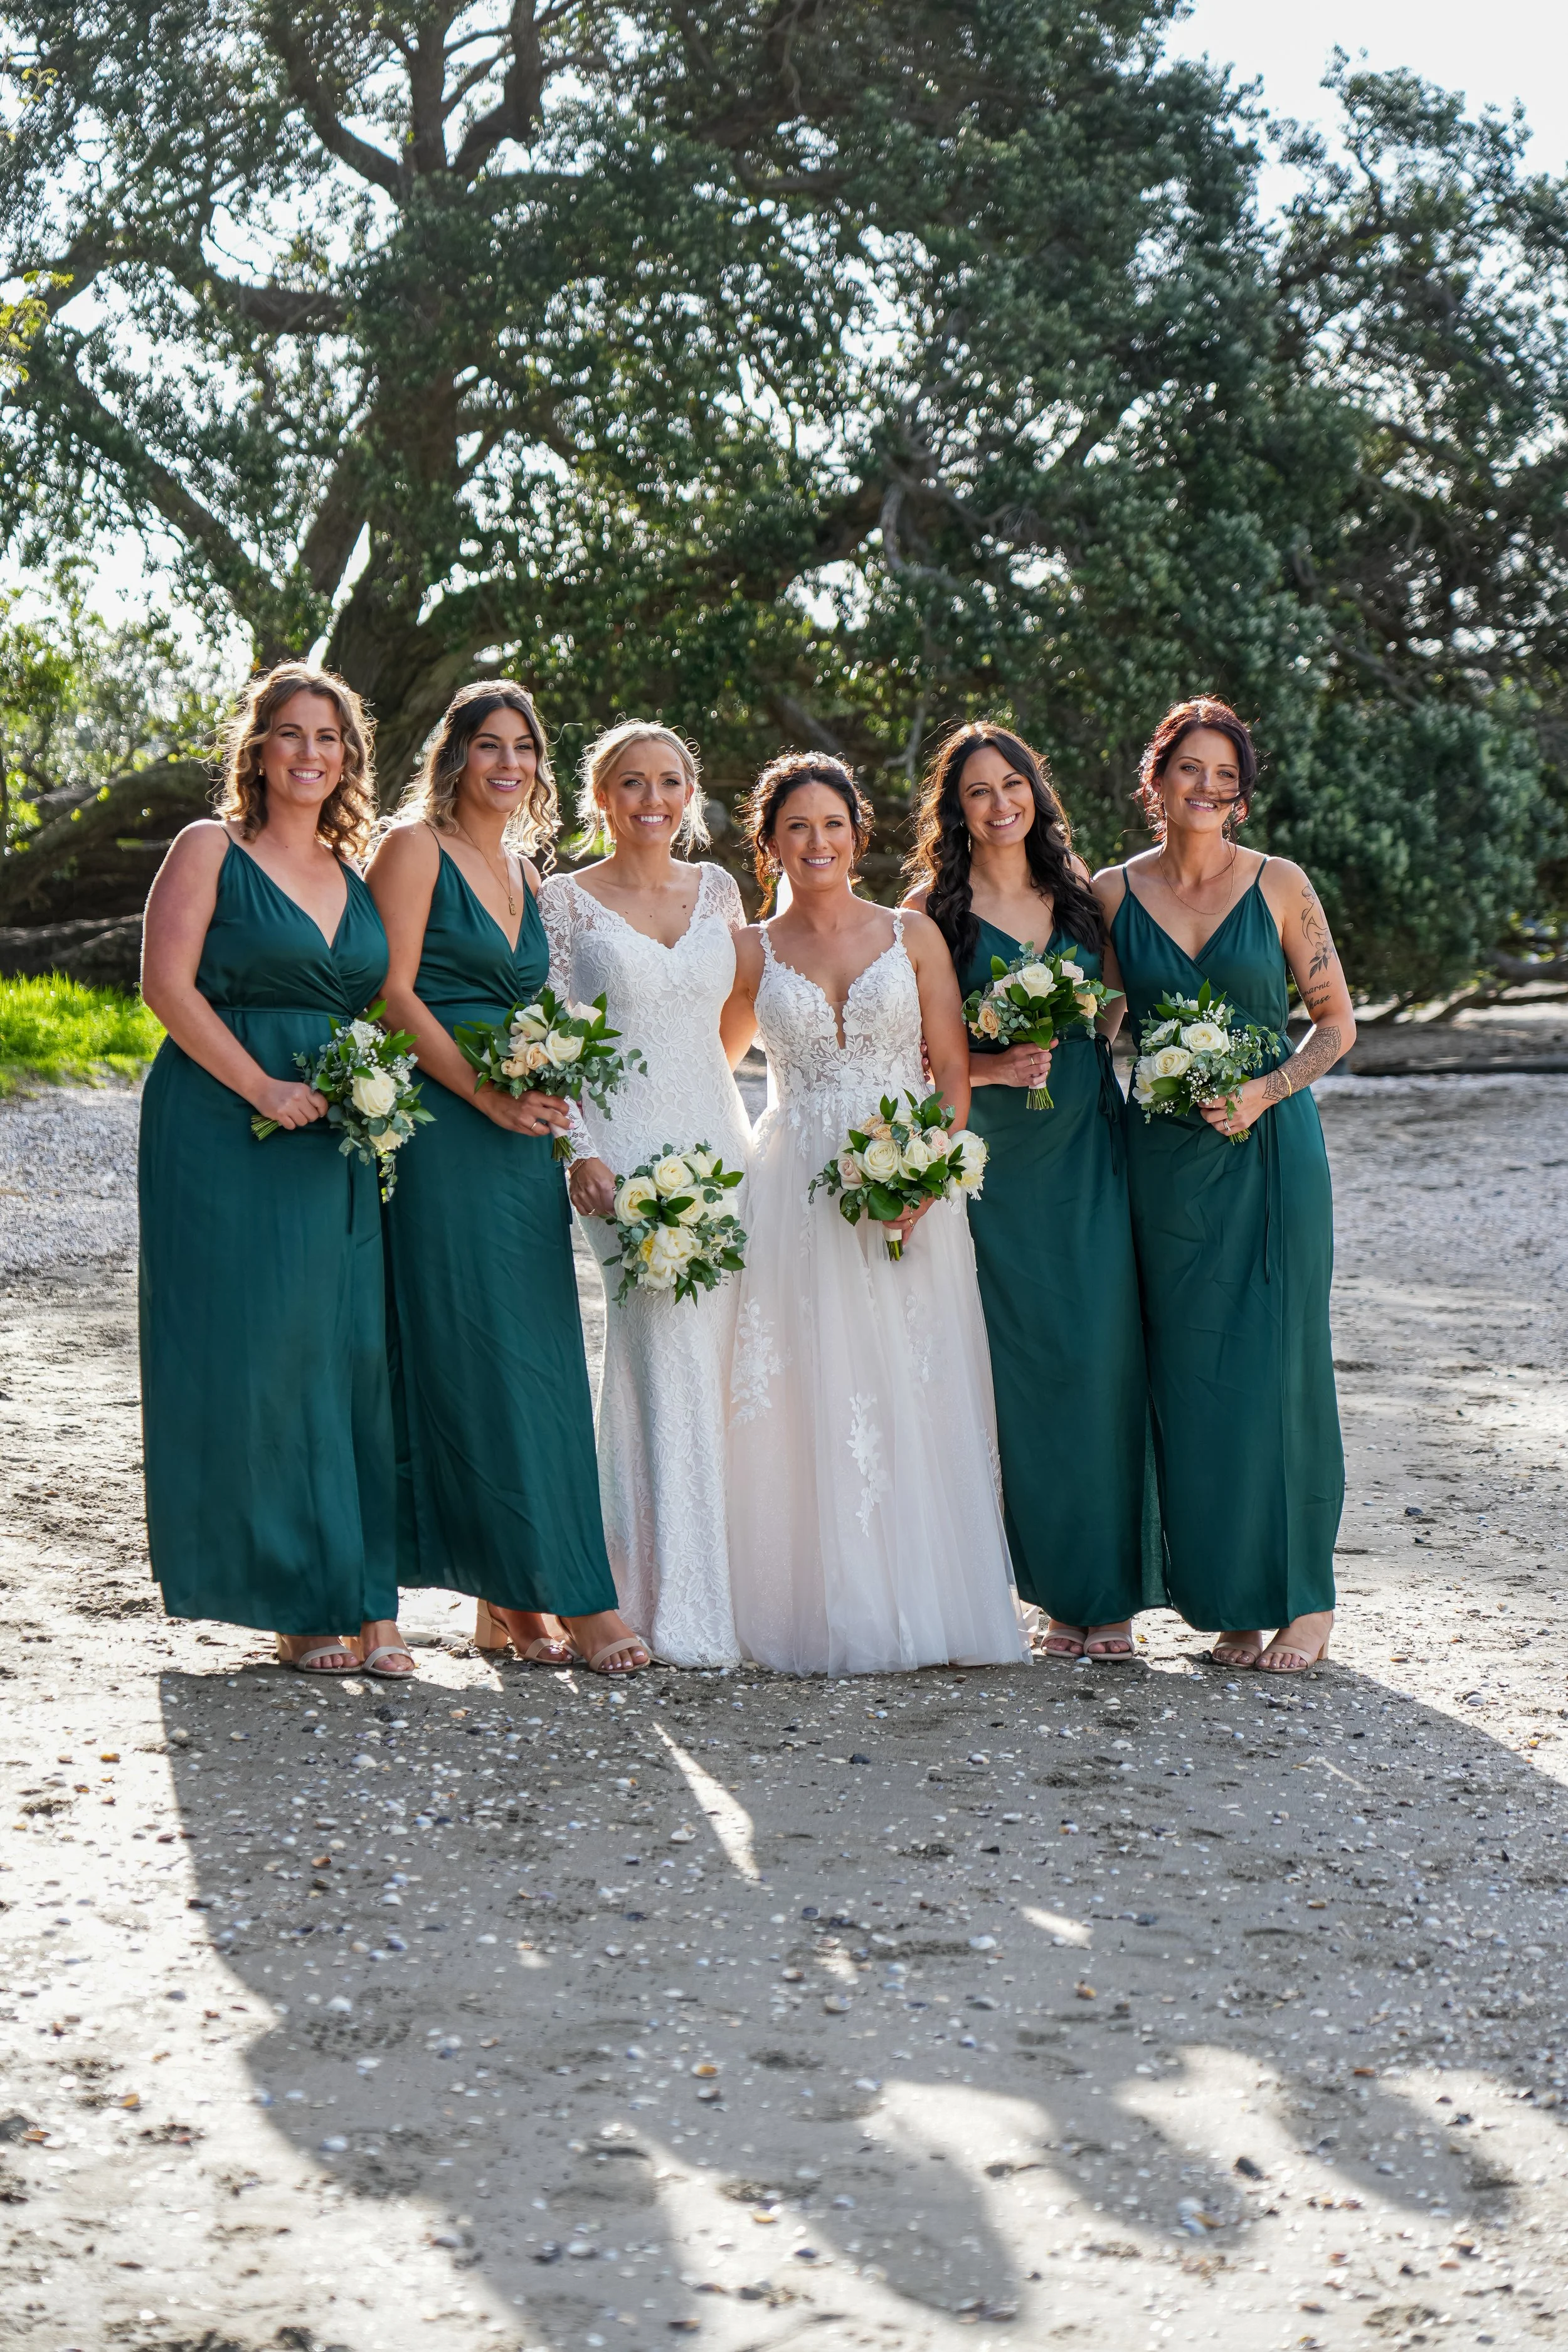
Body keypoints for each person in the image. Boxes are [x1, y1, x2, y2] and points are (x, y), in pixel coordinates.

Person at [723, 751, 1026, 1675]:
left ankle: (933, 1602)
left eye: (834, 824)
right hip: (794, 1188)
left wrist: (924, 1178)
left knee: (915, 1374)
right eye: (797, 828)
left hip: (910, 1182)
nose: (818, 842)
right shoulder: (749, 951)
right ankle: (819, 1606)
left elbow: (953, 1072)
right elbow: (707, 1063)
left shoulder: (914, 935)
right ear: (769, 844)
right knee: (812, 1382)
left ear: (859, 833)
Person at [366, 684, 647, 1677]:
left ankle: (515, 1599)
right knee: (471, 1350)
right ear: (455, 755)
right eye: (489, 746)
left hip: (523, 1136)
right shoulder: (414, 848)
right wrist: (486, 1093)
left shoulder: (528, 869)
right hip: (446, 1130)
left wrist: (547, 1099)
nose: (510, 765)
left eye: (524, 748)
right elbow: (391, 990)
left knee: (535, 1357)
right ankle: (575, 1599)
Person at [139, 662, 412, 1677]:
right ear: (257, 749)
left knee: (345, 1353)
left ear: (348, 757)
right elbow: (165, 983)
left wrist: (370, 1085)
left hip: (336, 1131)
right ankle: (295, 1603)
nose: (310, 753)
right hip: (223, 1124)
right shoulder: (210, 847)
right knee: (253, 1356)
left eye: (329, 737)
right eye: (291, 734)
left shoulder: (352, 871)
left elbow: (379, 1000)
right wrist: (259, 1084)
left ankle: (365, 1598)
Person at [1096, 696, 1353, 1672]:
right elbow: (1102, 1018)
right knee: (1193, 1376)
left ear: (1240, 796)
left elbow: (1335, 1023)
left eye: (1224, 774)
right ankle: (1235, 1604)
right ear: (1156, 781)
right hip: (1165, 1163)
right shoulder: (1115, 893)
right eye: (1188, 769)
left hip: (1271, 1152)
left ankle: (1307, 1600)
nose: (1205, 787)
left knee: (1280, 1369)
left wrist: (1264, 1089)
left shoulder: (1281, 884)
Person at [905, 721, 1159, 1661]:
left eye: (1014, 783)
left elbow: (1119, 997)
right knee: (1018, 1372)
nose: (1001, 802)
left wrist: (1083, 1035)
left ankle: (1110, 1594)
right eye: (979, 790)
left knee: (1099, 1358)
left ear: (1036, 793)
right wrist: (992, 1064)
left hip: (1087, 1146)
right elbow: (909, 1046)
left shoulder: (1081, 892)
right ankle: (1056, 1596)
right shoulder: (931, 909)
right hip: (994, 1162)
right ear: (956, 809)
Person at [539, 723, 751, 1668]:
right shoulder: (564, 901)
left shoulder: (721, 890)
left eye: (670, 781)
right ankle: (648, 1596)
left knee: (721, 1349)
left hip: (719, 1139)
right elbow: (547, 1034)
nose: (652, 799)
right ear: (601, 796)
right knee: (657, 1340)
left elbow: (734, 1020)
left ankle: (719, 1582)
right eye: (632, 783)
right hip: (620, 1153)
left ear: (691, 793)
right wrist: (577, 1147)